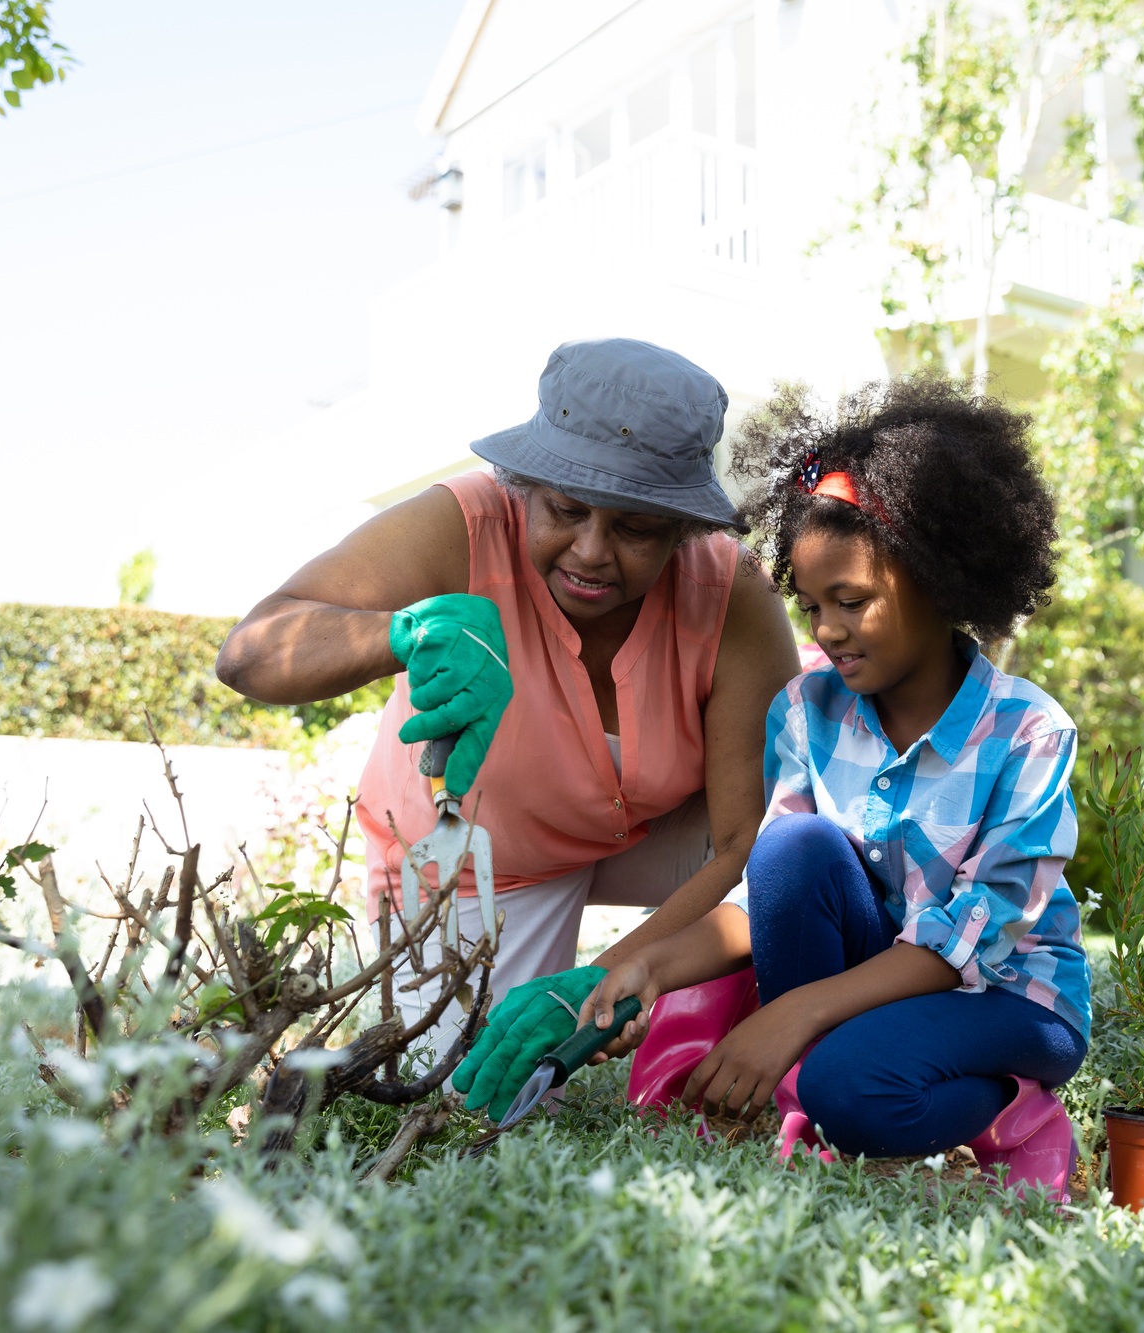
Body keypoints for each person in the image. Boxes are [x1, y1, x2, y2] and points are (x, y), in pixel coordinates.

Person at [463, 377, 1090, 1171]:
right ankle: (818, 1088)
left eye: (851, 601)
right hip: (873, 989)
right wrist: (644, 967)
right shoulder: (805, 711)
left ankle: (1014, 1112)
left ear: (940, 579)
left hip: (1008, 993)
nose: (827, 630)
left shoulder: (1028, 731)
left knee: (854, 1093)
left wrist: (789, 1015)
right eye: (813, 604)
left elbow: (972, 934)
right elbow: (765, 899)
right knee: (792, 848)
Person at [216, 338, 799, 1043]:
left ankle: (756, 1024)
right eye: (566, 510)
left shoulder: (728, 590)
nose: (591, 550)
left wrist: (614, 977)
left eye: (636, 527)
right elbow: (251, 652)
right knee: (468, 1094)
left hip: (657, 833)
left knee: (802, 858)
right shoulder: (462, 527)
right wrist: (402, 636)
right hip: (482, 859)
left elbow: (747, 839)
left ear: (682, 528)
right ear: (526, 488)